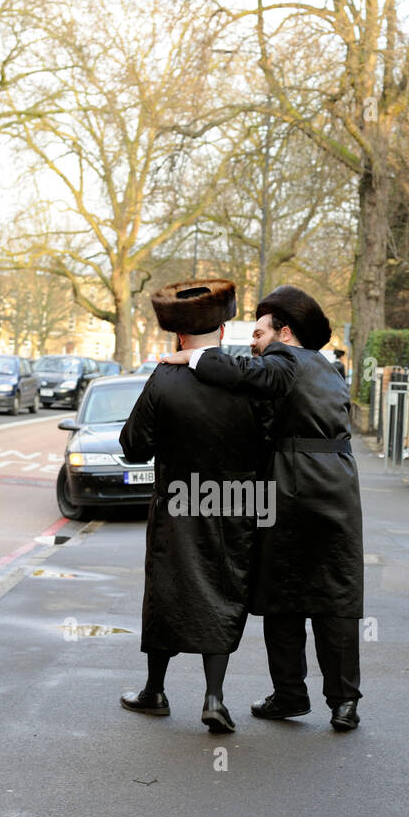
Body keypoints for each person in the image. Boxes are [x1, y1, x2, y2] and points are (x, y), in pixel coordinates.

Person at [163, 284, 365, 732]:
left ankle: (291, 694)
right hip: (339, 487)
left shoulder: (285, 360)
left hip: (293, 485)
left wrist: (194, 357)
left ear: (285, 332)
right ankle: (344, 702)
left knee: (282, 594)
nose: (252, 343)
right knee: (336, 596)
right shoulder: (328, 368)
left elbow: (247, 374)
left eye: (258, 333)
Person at [118, 279, 270, 734]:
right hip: (238, 502)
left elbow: (133, 447)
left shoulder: (165, 377)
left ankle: (155, 691)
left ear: (180, 336)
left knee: (167, 589)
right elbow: (268, 438)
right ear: (223, 331)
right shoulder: (246, 376)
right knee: (224, 591)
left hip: (178, 499)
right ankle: (214, 697)